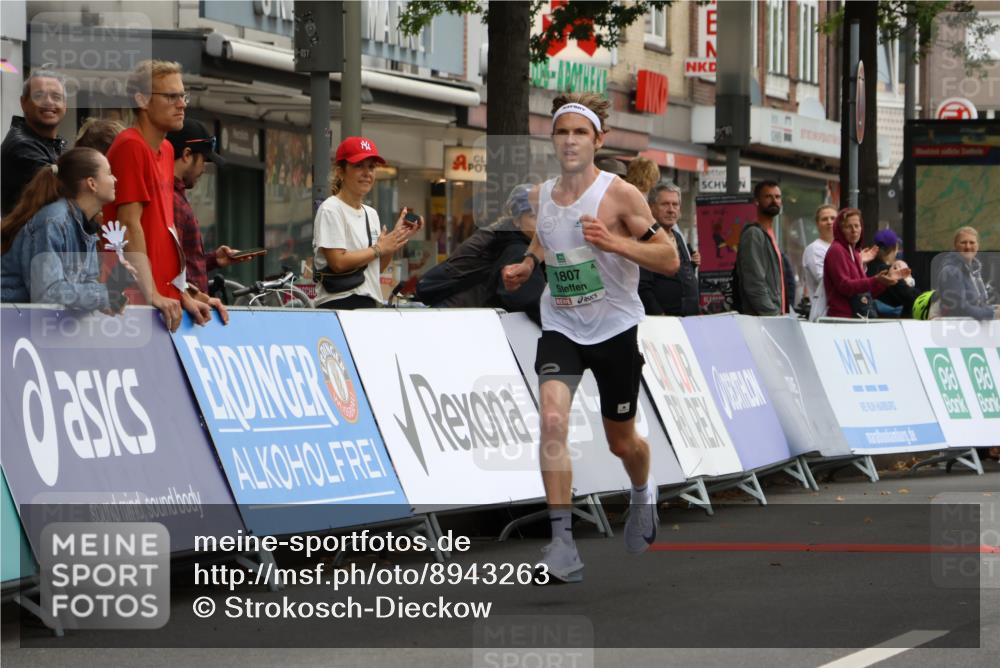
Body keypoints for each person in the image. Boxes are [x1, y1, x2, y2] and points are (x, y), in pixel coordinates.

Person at [502, 93, 679, 584]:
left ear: (598, 140)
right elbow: (547, 235)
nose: (570, 141)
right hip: (561, 325)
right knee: (552, 419)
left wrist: (614, 242)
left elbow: (668, 258)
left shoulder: (620, 195)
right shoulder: (542, 194)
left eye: (580, 132)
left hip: (614, 328)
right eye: (562, 132)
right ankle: (562, 545)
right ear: (553, 139)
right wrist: (529, 263)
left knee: (622, 442)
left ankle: (642, 490)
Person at [104, 59, 227, 331]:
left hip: (162, 300)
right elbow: (129, 224)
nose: (181, 104)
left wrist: (183, 293)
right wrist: (152, 293)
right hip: (133, 301)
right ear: (142, 100)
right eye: (171, 96)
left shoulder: (168, 150)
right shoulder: (131, 145)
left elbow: (165, 233)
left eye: (183, 96)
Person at [1, 148, 129, 310]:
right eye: (109, 173)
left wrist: (107, 299)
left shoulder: (86, 227)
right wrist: (103, 295)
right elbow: (47, 293)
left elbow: (85, 283)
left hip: (28, 320)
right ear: (92, 183)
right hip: (9, 319)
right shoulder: (53, 221)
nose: (115, 179)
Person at [312, 136, 422, 310]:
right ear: (340, 172)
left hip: (369, 304)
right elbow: (338, 262)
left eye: (371, 167)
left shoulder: (371, 214)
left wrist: (394, 239)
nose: (367, 173)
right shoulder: (331, 209)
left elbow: (376, 268)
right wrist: (378, 248)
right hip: (339, 304)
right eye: (358, 166)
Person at [414, 184, 544, 321]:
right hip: (460, 317)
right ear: (517, 220)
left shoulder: (501, 234)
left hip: (460, 314)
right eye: (534, 217)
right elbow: (528, 300)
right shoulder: (513, 246)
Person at [168, 118, 251, 294]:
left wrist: (213, 260)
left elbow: (184, 264)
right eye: (204, 160)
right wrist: (194, 298)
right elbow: (171, 267)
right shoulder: (172, 200)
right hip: (187, 307)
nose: (204, 169)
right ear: (187, 155)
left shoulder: (176, 196)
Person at [2, 70, 68, 216]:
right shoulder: (22, 146)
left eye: (56, 97)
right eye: (39, 96)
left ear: (65, 105)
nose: (49, 102)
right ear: (23, 103)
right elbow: (70, 194)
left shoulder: (51, 143)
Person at [823, 208, 904, 319]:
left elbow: (864, 293)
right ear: (840, 230)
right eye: (848, 227)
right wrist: (875, 280)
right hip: (842, 318)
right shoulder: (837, 250)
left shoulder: (854, 252)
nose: (854, 230)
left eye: (857, 226)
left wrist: (885, 281)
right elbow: (845, 286)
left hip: (856, 317)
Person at [638, 182, 700, 316]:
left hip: (688, 319)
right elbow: (643, 286)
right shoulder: (648, 238)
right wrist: (659, 315)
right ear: (651, 207)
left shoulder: (677, 236)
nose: (671, 209)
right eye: (665, 204)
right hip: (665, 322)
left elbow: (680, 276)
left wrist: (691, 265)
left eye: (675, 204)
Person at [734, 181, 785, 316]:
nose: (774, 201)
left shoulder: (771, 234)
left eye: (777, 197)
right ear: (756, 201)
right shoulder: (754, 234)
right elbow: (754, 282)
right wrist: (772, 314)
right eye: (768, 196)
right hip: (763, 319)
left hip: (775, 316)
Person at [934, 226, 998, 320]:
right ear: (955, 246)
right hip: (955, 327)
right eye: (963, 242)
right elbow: (959, 308)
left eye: (972, 242)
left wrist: (994, 309)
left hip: (971, 328)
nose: (968, 247)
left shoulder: (974, 272)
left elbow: (979, 304)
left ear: (978, 246)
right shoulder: (950, 272)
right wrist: (992, 314)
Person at [867, 229, 918, 317]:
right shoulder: (888, 271)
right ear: (894, 248)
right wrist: (908, 281)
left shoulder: (866, 266)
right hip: (889, 321)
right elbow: (911, 297)